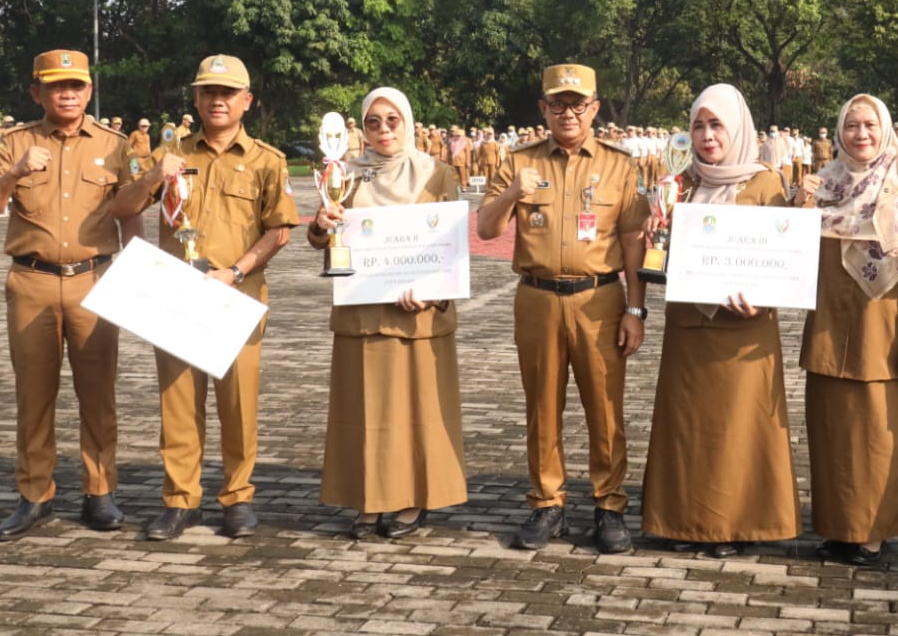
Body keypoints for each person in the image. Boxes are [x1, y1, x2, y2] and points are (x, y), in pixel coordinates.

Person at [114, 55, 299, 541]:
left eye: (227, 93)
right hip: (176, 295)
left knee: (238, 406)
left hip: (236, 296)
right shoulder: (171, 153)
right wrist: (156, 175)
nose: (217, 100)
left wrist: (235, 271)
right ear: (196, 99)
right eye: (208, 92)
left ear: (246, 101)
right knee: (177, 405)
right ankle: (180, 500)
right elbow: (123, 207)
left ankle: (237, 498)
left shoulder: (266, 160)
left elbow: (279, 230)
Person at [477, 63, 648, 554]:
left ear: (594, 107)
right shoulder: (519, 161)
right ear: (543, 109)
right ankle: (546, 502)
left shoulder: (620, 165)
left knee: (605, 408)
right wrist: (513, 192)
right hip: (537, 298)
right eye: (558, 103)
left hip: (600, 298)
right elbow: (487, 228)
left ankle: (609, 505)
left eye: (577, 104)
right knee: (542, 406)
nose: (568, 113)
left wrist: (636, 310)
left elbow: (634, 241)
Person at [0, 49, 138, 541]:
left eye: (76, 85)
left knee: (98, 392)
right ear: (36, 92)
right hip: (32, 281)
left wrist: (140, 265)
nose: (67, 93)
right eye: (55, 85)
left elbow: (130, 208)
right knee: (34, 394)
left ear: (89, 90)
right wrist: (15, 172)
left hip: (95, 279)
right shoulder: (14, 143)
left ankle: (100, 491)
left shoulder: (115, 145)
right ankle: (34, 494)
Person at [640, 84, 799, 559]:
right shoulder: (679, 183)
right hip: (690, 326)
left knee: (740, 431)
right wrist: (656, 227)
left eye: (717, 125)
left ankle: (741, 523)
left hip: (745, 330)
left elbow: (782, 255)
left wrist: (766, 298)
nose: (708, 136)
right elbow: (655, 252)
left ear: (738, 127)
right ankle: (684, 520)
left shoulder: (766, 182)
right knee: (689, 427)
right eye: (698, 126)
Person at [309, 87, 467, 540]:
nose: (383, 130)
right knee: (365, 411)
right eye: (373, 122)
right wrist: (322, 225)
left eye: (392, 120)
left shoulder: (436, 174)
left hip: (418, 315)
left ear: (409, 121)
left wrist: (432, 291)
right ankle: (368, 499)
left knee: (414, 411)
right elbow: (325, 238)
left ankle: (412, 498)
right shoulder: (346, 175)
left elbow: (450, 245)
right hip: (362, 312)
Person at [795, 94, 898, 565]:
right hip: (828, 331)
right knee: (833, 434)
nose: (861, 134)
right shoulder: (821, 186)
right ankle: (840, 528)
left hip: (885, 334)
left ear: (886, 131)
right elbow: (787, 256)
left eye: (870, 126)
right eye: (852, 126)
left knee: (878, 436)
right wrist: (795, 208)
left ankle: (874, 531)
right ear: (840, 131)